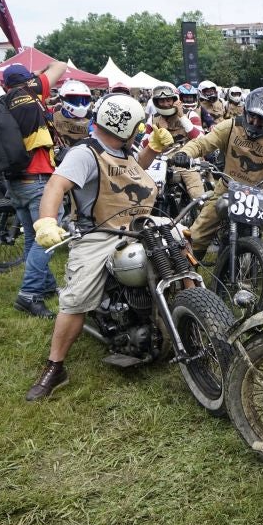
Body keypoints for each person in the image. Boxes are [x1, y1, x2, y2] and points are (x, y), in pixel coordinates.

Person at [26, 94, 168, 401]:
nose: (139, 132)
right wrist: (47, 222)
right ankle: (56, 366)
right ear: (126, 126)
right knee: (76, 299)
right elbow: (55, 185)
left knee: (181, 248)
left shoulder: (120, 150)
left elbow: (131, 175)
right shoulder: (85, 153)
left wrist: (151, 150)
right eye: (137, 128)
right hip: (100, 235)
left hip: (139, 227)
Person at [172, 87, 263, 283]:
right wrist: (185, 153)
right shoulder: (230, 126)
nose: (255, 123)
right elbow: (203, 143)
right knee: (197, 236)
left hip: (262, 193)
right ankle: (188, 272)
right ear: (245, 111)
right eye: (251, 116)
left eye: (262, 120)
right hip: (227, 187)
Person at [0, 61, 68, 318]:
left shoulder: (4, 101)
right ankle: (29, 295)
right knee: (47, 239)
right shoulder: (32, 90)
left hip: (14, 181)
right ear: (26, 79)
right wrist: (38, 73)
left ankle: (47, 285)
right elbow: (59, 66)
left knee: (32, 237)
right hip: (37, 178)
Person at [140, 82, 205, 199]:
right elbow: (142, 145)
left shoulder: (190, 114)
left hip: (184, 158)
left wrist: (183, 118)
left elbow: (201, 139)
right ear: (156, 102)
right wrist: (158, 131)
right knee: (144, 190)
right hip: (160, 161)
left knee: (197, 194)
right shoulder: (153, 119)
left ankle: (201, 212)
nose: (166, 104)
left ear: (175, 100)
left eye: (168, 100)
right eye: (162, 101)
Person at [52, 80, 92, 146]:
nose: (80, 104)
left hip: (83, 152)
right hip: (61, 150)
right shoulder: (55, 112)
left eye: (83, 100)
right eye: (74, 99)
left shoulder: (91, 117)